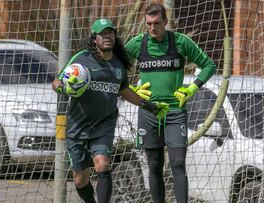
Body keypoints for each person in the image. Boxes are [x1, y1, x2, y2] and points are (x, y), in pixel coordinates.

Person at [52, 18, 169, 203]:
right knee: (80, 179)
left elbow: (125, 91)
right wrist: (63, 89)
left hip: (103, 125)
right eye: (102, 34)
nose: (107, 36)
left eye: (110, 33)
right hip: (77, 126)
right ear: (94, 38)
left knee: (102, 164)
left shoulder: (118, 65)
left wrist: (150, 106)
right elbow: (57, 82)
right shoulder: (82, 58)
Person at [125, 3, 216, 203]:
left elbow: (209, 65)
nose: (152, 28)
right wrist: (131, 90)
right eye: (148, 23)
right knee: (154, 165)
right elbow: (113, 67)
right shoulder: (138, 44)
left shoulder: (181, 42)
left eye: (157, 23)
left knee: (177, 164)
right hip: (149, 112)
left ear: (166, 21)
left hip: (175, 112)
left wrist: (192, 88)